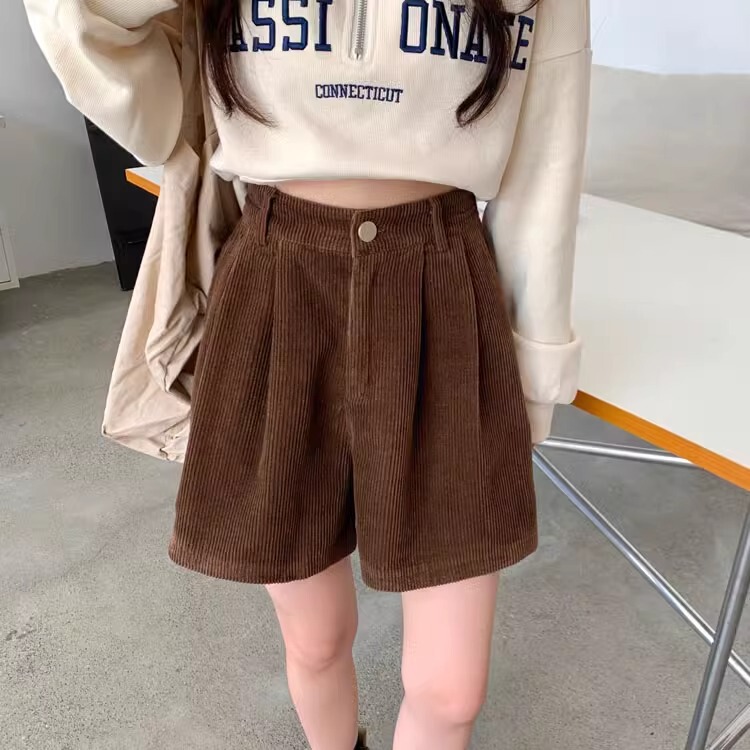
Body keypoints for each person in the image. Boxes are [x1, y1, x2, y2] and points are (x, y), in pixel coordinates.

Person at [25, 0, 591, 747]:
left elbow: (546, 167)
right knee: (316, 638)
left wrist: (531, 382)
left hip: (445, 289)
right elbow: (85, 31)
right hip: (278, 286)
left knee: (451, 690)